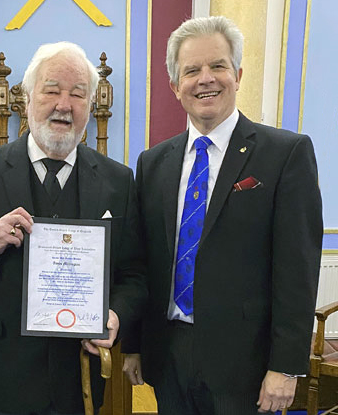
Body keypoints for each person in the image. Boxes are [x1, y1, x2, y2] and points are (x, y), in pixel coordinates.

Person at [116, 16, 323, 414]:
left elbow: (297, 269)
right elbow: (144, 261)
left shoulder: (285, 154)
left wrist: (286, 366)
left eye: (218, 66)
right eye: (191, 70)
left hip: (246, 364)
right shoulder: (153, 163)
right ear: (176, 86)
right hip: (169, 353)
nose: (205, 79)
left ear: (238, 74)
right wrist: (136, 345)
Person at [0, 41, 146, 415]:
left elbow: (135, 274)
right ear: (28, 99)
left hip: (81, 380)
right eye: (51, 90)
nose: (64, 104)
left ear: (90, 107)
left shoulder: (118, 181)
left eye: (78, 94)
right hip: (2, 381)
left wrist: (114, 315)